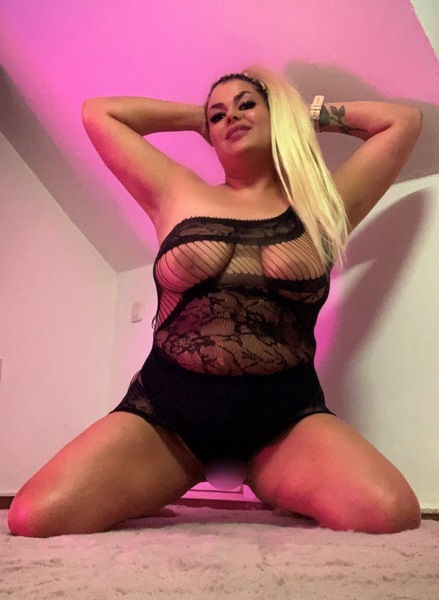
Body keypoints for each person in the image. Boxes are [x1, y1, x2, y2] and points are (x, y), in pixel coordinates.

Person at [8, 66, 422, 537]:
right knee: (32, 517)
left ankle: (276, 482)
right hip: (167, 416)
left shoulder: (325, 203)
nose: (231, 117)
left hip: (283, 422)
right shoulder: (175, 188)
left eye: (246, 105)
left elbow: (402, 122)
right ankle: (160, 483)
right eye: (218, 114)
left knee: (392, 513)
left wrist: (302, 115)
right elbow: (100, 113)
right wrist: (196, 117)